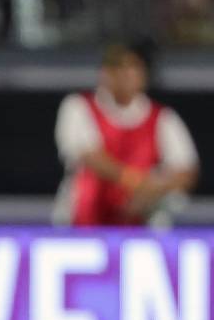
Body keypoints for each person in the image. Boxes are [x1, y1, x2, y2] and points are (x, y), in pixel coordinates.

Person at [54, 42, 199, 226]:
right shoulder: (78, 106)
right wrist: (134, 181)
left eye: (134, 68)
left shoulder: (163, 118)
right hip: (84, 224)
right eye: (120, 68)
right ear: (105, 73)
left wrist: (154, 189)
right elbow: (88, 155)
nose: (128, 75)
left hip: (143, 227)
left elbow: (186, 170)